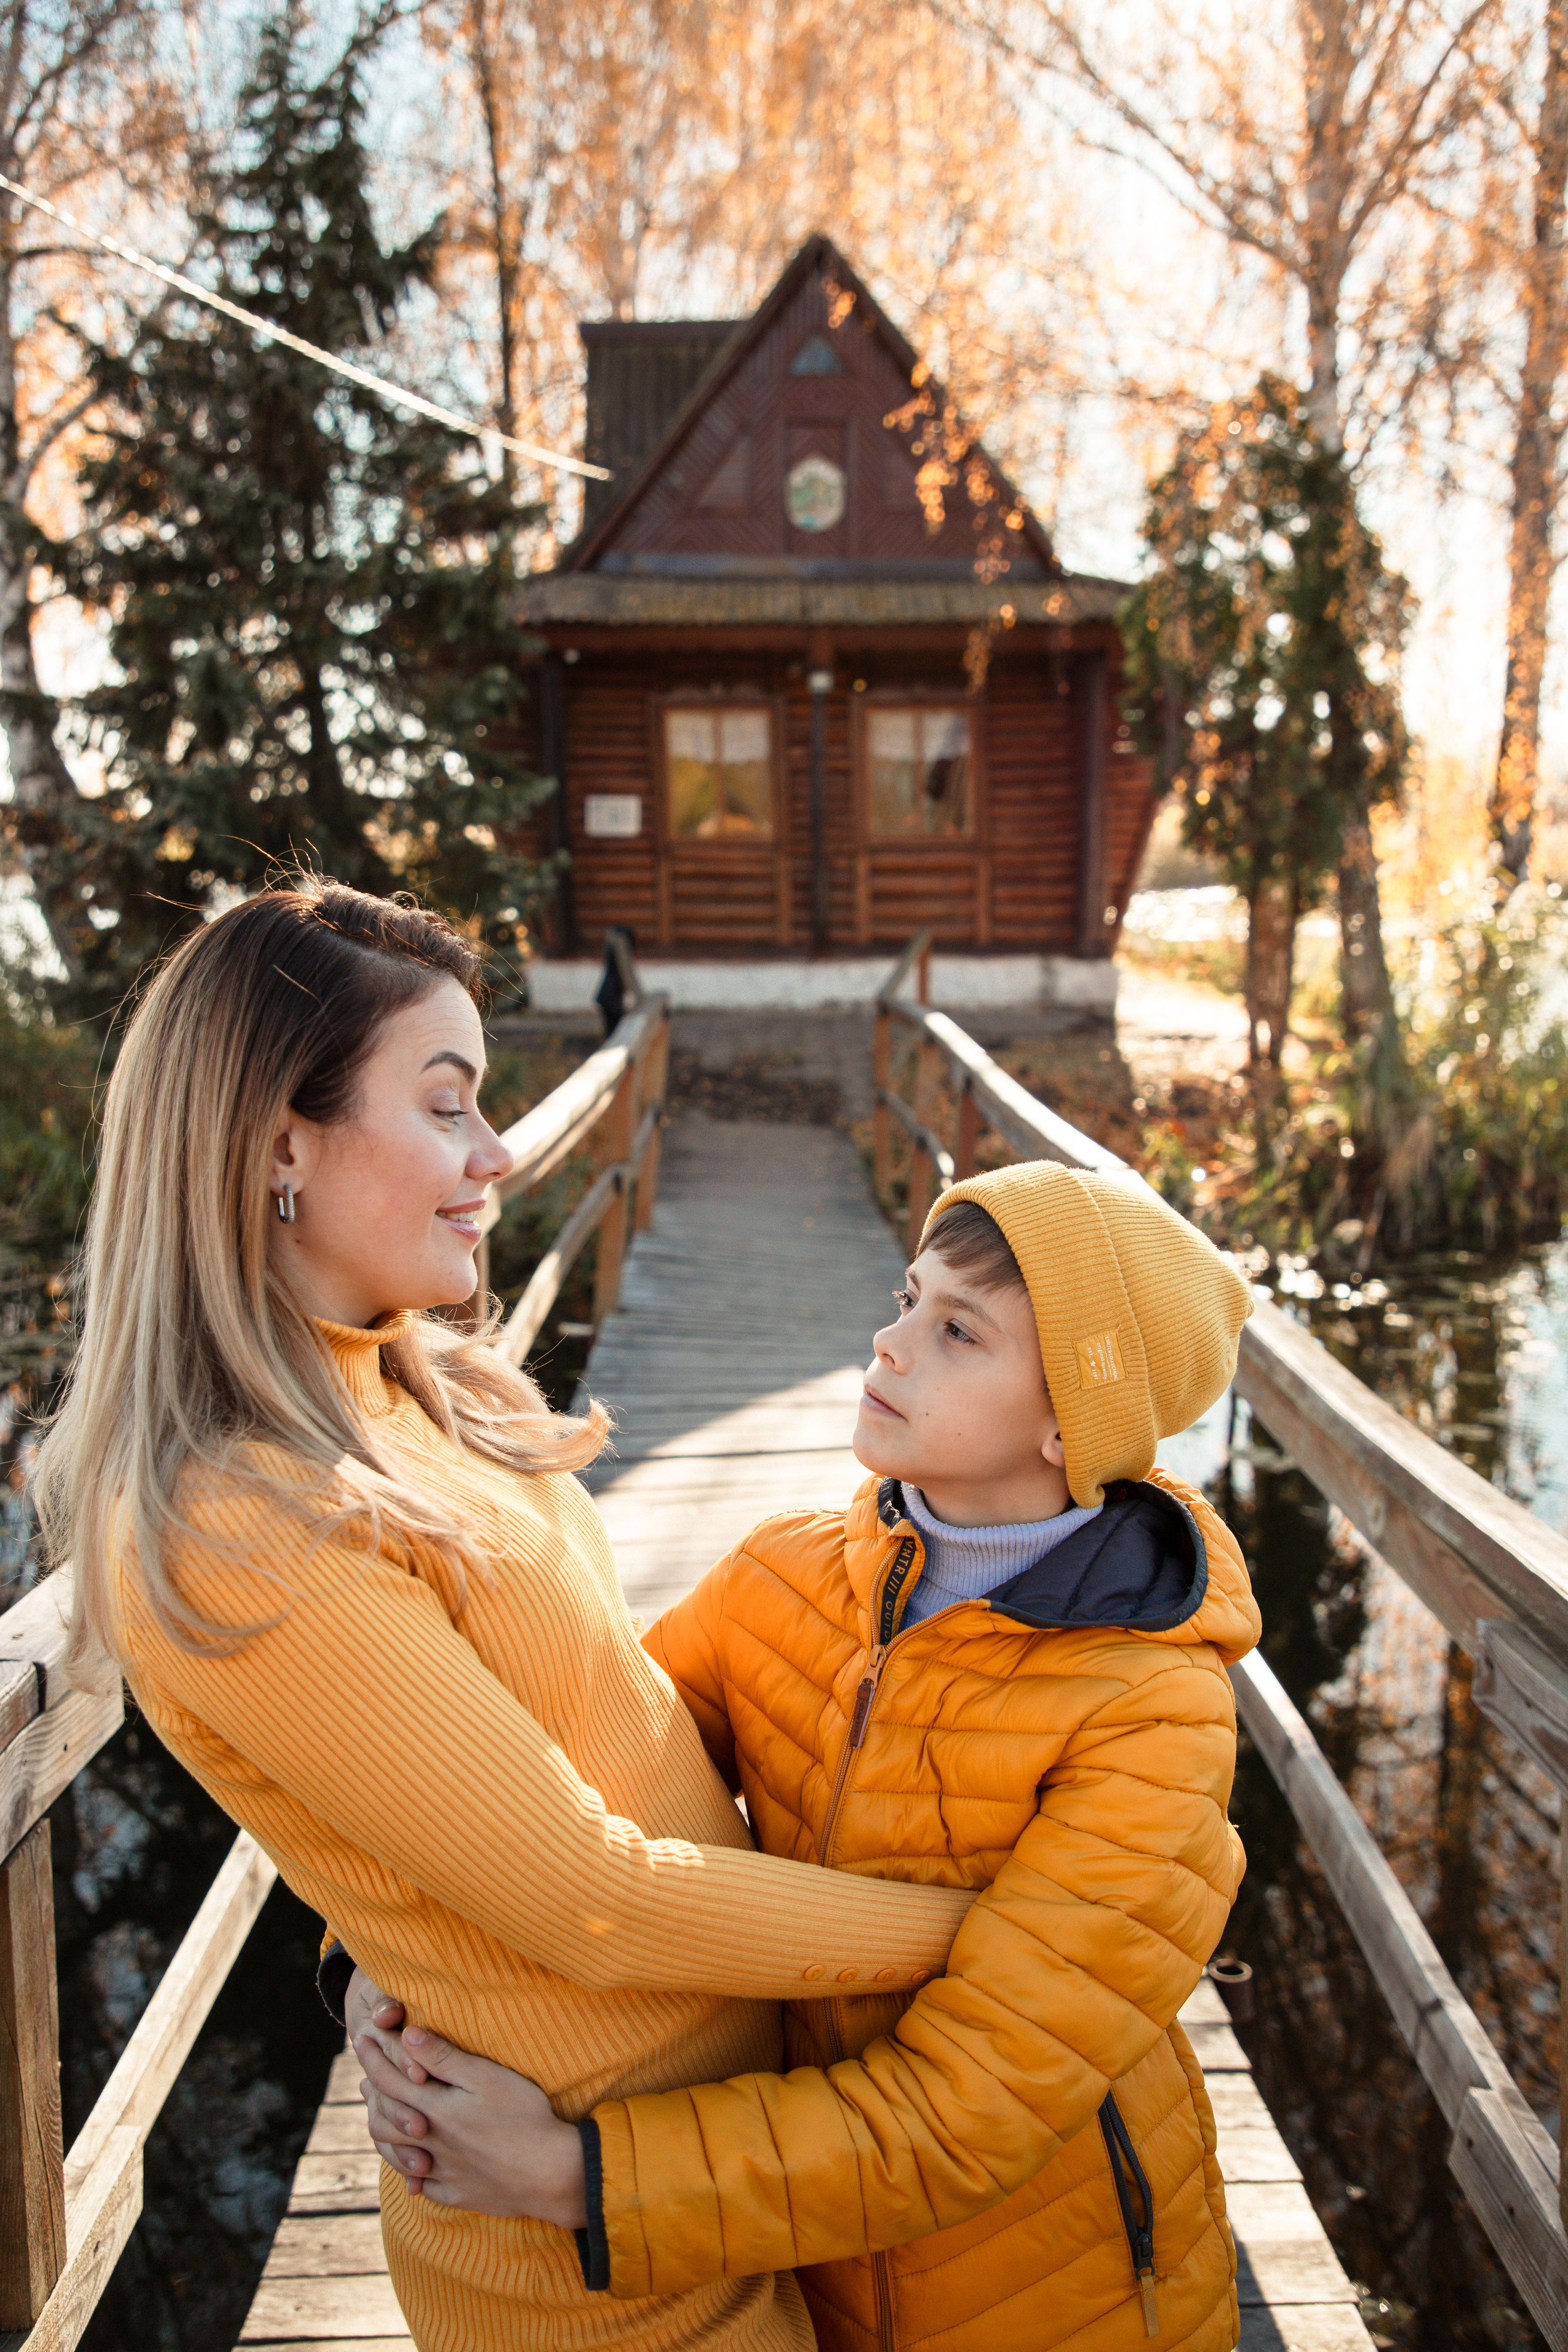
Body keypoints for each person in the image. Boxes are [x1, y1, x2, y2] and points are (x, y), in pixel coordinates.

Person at [32, 878, 978, 2352]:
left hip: (729, 2156)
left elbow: (542, 1720)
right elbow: (584, 1896)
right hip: (595, 2260)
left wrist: (368, 1956)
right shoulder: (240, 1519)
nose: (500, 1151)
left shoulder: (415, 1375)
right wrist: (997, 1936)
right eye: (446, 1105)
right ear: (280, 1143)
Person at [350, 1161, 1263, 2352]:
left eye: (956, 1333)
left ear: (1066, 1421)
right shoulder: (781, 1575)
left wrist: (579, 2177)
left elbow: (969, 2114)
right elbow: (545, 1760)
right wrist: (383, 1955)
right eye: (901, 1300)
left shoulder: (1150, 1714)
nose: (888, 1346)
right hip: (790, 2265)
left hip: (1047, 2289)